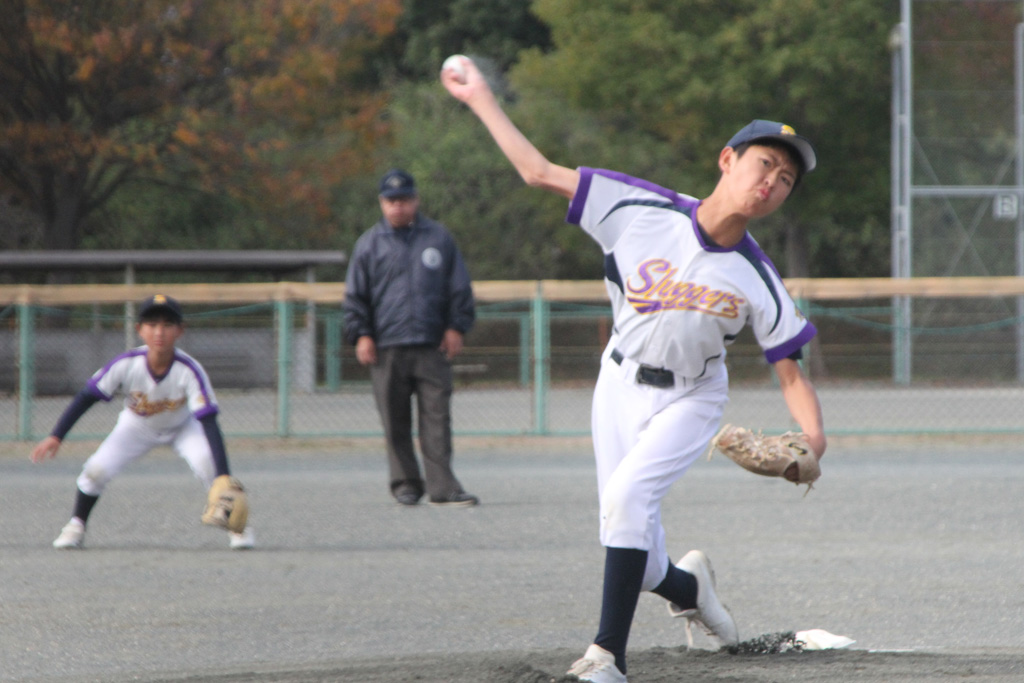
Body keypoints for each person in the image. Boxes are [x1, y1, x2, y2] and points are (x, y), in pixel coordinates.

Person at [441, 57, 827, 682]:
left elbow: (791, 372)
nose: (772, 182)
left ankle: (605, 659)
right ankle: (692, 588)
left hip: (692, 398)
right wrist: (482, 96)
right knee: (633, 545)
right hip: (617, 384)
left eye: (785, 179)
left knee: (626, 499)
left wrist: (815, 439)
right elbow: (536, 172)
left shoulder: (758, 277)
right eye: (765, 163)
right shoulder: (637, 207)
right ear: (727, 160)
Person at [31, 294, 254, 550]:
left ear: (180, 331)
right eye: (152, 324)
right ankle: (76, 524)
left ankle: (238, 526)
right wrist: (57, 435)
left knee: (208, 465)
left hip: (182, 427)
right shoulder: (126, 364)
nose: (159, 331)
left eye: (168, 324)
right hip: (136, 426)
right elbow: (87, 397)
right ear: (140, 330)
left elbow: (209, 421)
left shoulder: (189, 370)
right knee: (95, 470)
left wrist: (223, 474)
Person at [343, 169, 479, 507]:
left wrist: (455, 327)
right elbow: (355, 296)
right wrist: (361, 334)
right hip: (386, 346)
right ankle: (405, 483)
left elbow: (458, 287)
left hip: (432, 345)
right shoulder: (369, 244)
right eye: (391, 201)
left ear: (415, 200)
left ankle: (443, 487)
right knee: (395, 419)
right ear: (381, 203)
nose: (398, 206)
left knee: (437, 419)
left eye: (404, 200)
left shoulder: (439, 238)